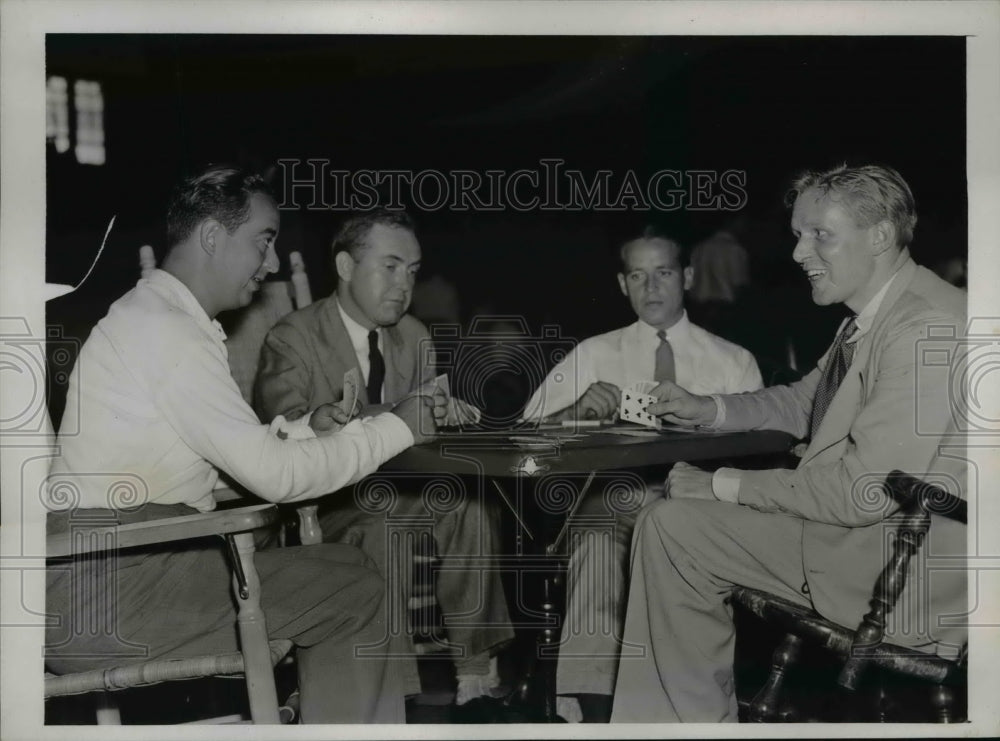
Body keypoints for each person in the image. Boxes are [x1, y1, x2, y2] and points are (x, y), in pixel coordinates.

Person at [46, 165, 448, 724]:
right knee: (354, 584)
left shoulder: (149, 317)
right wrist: (400, 426)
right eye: (264, 239)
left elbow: (200, 458)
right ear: (212, 236)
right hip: (113, 593)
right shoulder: (168, 331)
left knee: (343, 574)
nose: (274, 262)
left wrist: (309, 431)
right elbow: (274, 477)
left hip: (102, 580)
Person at [611, 164, 967, 722]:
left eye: (819, 234)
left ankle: (680, 726)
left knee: (670, 527)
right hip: (862, 539)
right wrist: (710, 408)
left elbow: (861, 494)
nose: (799, 253)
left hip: (894, 572)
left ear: (878, 236)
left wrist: (721, 485)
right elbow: (806, 400)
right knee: (670, 522)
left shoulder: (925, 327)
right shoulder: (881, 314)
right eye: (799, 234)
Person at [255, 208, 514, 715]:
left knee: (472, 506)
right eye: (390, 267)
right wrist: (399, 412)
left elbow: (422, 444)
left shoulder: (415, 335)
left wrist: (446, 417)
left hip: (399, 491)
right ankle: (388, 690)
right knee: (385, 522)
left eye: (413, 271)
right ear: (347, 266)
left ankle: (476, 668)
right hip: (321, 504)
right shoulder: (292, 337)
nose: (404, 285)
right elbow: (281, 433)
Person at [520, 229, 764, 722]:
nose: (651, 287)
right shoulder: (592, 354)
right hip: (615, 501)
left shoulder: (734, 362)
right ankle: (596, 708)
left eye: (664, 273)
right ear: (621, 283)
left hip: (698, 510)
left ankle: (689, 710)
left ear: (689, 278)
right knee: (594, 538)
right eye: (637, 275)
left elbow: (757, 463)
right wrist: (573, 412)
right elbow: (524, 447)